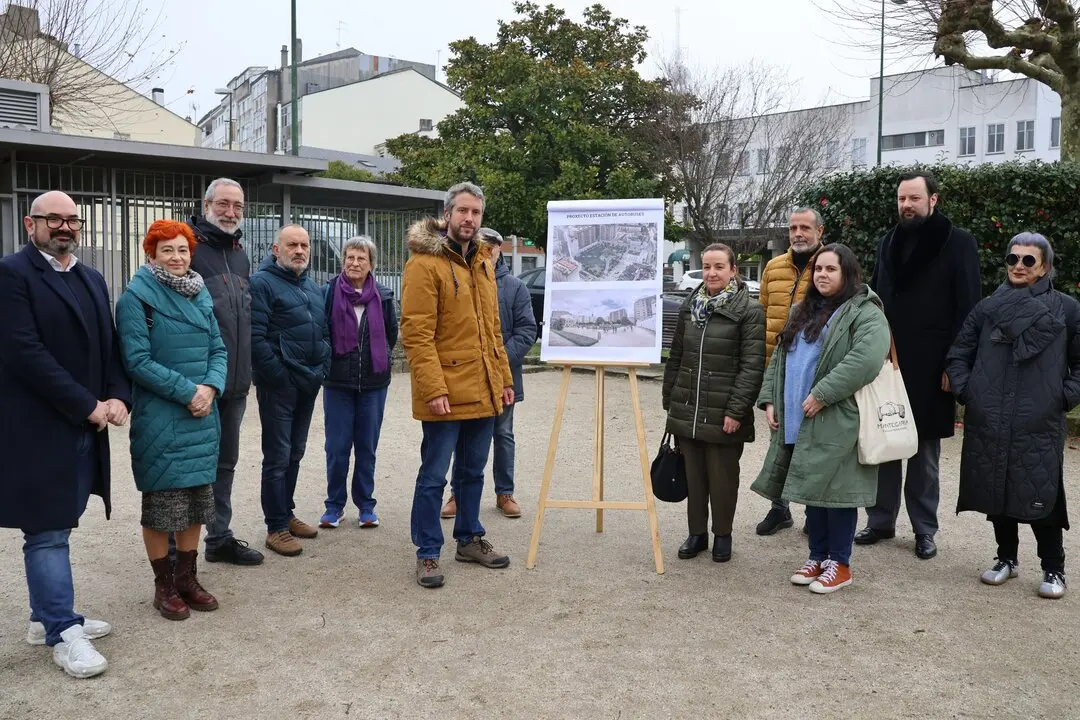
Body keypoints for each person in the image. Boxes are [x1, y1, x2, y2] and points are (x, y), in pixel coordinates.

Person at [0, 191, 131, 678]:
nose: (64, 226)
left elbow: (111, 345)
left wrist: (119, 396)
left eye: (72, 219)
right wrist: (87, 404)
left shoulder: (90, 276)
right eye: (52, 219)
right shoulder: (12, 274)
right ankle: (61, 630)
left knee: (61, 519)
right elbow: (23, 353)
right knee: (47, 530)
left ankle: (42, 619)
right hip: (37, 428)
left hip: (86, 423)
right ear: (31, 224)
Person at [946, 233, 1080, 599]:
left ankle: (1054, 567)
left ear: (1045, 267)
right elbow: (959, 353)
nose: (1018, 265)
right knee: (997, 488)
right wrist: (968, 392)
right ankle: (1006, 558)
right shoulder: (987, 307)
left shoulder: (1066, 309)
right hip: (989, 415)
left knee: (1042, 494)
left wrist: (1061, 397)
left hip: (1038, 419)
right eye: (1012, 258)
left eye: (1028, 260)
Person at [752, 244, 890, 594]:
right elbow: (780, 357)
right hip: (801, 415)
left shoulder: (865, 311)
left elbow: (866, 359)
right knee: (813, 489)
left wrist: (823, 393)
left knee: (837, 492)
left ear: (848, 273)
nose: (822, 275)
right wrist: (770, 398)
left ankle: (839, 564)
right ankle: (817, 556)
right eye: (818, 269)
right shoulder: (803, 309)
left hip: (836, 414)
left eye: (831, 269)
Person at [858, 171, 981, 560]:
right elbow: (875, 303)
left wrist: (955, 365)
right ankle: (880, 521)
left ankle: (925, 530)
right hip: (888, 362)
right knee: (884, 440)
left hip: (934, 365)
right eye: (901, 200)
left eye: (914, 198)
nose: (906, 206)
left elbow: (969, 309)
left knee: (924, 454)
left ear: (933, 200)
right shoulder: (886, 242)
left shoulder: (958, 243)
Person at [400, 182, 515, 589]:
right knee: (433, 476)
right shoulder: (423, 263)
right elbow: (416, 333)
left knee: (472, 472)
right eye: (462, 211)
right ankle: (428, 552)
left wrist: (503, 381)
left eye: (476, 213)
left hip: (483, 389)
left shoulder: (484, 261)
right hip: (445, 392)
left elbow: (493, 330)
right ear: (446, 215)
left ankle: (468, 537)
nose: (469, 219)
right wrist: (434, 389)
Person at [116, 220, 226, 620]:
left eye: (183, 250)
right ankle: (163, 585)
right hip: (163, 415)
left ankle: (186, 577)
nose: (177, 258)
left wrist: (211, 388)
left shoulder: (200, 294)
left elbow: (219, 348)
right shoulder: (136, 299)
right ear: (151, 254)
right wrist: (189, 392)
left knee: (196, 503)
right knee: (162, 506)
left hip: (201, 414)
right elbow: (137, 361)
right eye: (167, 251)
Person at [662, 243, 765, 562]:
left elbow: (752, 366)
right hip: (689, 407)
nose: (712, 273)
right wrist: (670, 396)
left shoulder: (749, 310)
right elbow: (677, 354)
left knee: (722, 478)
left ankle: (723, 534)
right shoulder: (691, 305)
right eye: (707, 266)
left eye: (719, 266)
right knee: (693, 475)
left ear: (734, 270)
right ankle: (697, 534)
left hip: (724, 412)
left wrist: (736, 410)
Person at [186, 178, 264, 566]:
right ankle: (173, 552)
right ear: (206, 205)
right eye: (224, 204)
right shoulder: (188, 250)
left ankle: (218, 538)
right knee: (189, 465)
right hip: (200, 383)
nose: (231, 212)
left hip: (236, 382)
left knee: (225, 462)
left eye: (238, 206)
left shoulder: (240, 254)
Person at [441, 227, 537, 520]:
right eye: (480, 246)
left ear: (498, 250)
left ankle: (504, 493)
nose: (485, 252)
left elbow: (527, 330)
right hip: (468, 379)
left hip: (504, 377)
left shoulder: (515, 287)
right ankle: (457, 494)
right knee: (464, 437)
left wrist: (495, 362)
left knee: (503, 434)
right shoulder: (460, 279)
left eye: (490, 248)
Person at [250, 224, 331, 557]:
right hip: (279, 387)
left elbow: (323, 333)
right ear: (276, 249)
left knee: (295, 453)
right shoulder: (262, 284)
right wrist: (280, 377)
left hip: (308, 384)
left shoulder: (312, 286)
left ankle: (287, 513)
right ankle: (275, 527)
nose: (299, 251)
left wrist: (321, 367)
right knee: (278, 456)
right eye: (292, 245)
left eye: (304, 246)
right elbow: (255, 338)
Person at [753, 208, 824, 536]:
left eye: (805, 227)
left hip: (812, 371)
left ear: (819, 231)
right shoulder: (773, 267)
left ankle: (813, 511)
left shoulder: (828, 266)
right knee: (778, 439)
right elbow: (764, 314)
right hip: (776, 369)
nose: (798, 233)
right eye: (794, 227)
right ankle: (779, 509)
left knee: (810, 445)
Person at [319, 236, 398, 529]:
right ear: (343, 261)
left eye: (361, 259)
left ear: (371, 264)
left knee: (367, 448)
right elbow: (322, 332)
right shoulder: (328, 292)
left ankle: (366, 506)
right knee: (337, 448)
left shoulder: (385, 296)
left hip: (374, 385)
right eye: (350, 257)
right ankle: (334, 506)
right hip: (338, 384)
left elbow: (391, 335)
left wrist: (380, 361)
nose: (354, 263)